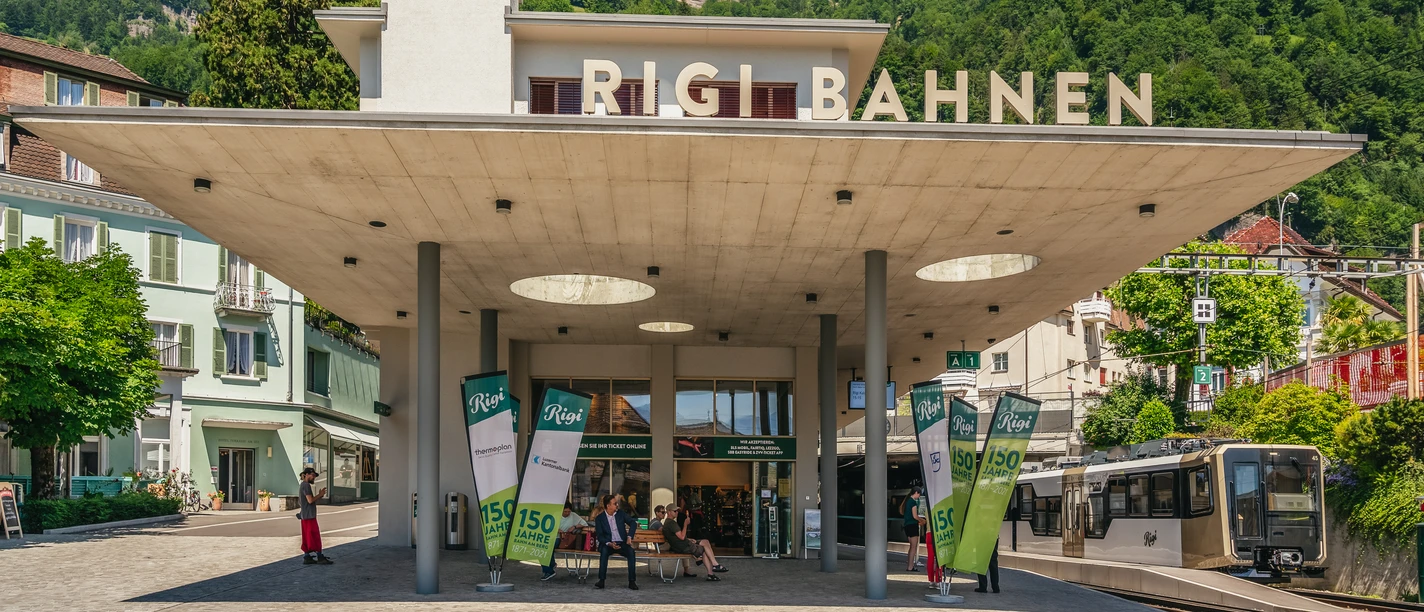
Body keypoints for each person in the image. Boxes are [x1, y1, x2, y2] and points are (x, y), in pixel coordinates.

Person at [663, 507, 727, 581]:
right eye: (675, 511)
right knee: (704, 549)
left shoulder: (668, 523)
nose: (677, 512)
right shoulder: (671, 523)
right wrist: (685, 524)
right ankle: (713, 568)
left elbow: (677, 537)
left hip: (682, 544)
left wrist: (689, 539)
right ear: (669, 512)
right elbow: (682, 537)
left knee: (705, 542)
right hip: (684, 546)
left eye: (677, 511)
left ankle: (713, 566)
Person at [594, 494, 639, 590]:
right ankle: (601, 580)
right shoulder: (600, 518)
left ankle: (632, 581)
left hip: (622, 542)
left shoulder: (620, 514)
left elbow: (633, 523)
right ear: (608, 506)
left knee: (631, 552)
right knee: (604, 551)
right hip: (608, 543)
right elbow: (600, 536)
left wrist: (629, 536)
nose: (617, 505)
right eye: (615, 504)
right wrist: (609, 543)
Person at [542, 503, 590, 580]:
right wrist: (557, 530)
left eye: (568, 511)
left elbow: (584, 524)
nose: (567, 513)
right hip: (555, 537)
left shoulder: (573, 516)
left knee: (549, 547)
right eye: (565, 511)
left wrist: (574, 526)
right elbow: (548, 526)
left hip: (565, 540)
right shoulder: (556, 515)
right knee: (543, 547)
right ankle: (549, 568)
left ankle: (549, 570)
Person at [297, 467, 331, 565]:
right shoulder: (306, 485)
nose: (314, 477)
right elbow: (310, 500)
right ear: (306, 474)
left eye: (315, 476)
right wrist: (320, 495)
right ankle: (320, 556)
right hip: (309, 516)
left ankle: (307, 556)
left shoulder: (302, 485)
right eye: (313, 475)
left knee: (307, 537)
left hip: (305, 515)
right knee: (315, 536)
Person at [902, 488, 924, 571]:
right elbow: (915, 516)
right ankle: (910, 566)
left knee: (911, 547)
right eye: (919, 494)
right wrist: (922, 520)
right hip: (913, 526)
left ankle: (909, 565)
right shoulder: (913, 502)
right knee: (913, 547)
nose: (919, 496)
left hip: (907, 526)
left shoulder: (907, 502)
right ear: (916, 493)